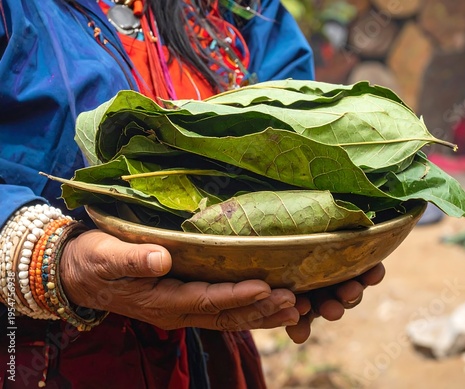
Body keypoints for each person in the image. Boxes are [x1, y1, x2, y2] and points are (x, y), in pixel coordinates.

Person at [0, 0, 385, 387]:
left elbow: (291, 110)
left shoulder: (234, 8)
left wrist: (308, 252)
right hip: (42, 359)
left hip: (212, 352)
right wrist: (50, 261)